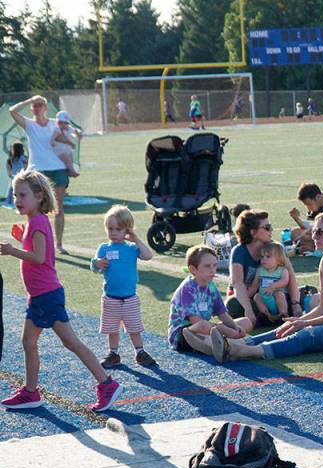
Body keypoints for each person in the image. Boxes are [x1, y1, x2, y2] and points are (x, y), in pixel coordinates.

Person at [0, 171, 122, 411]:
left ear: (38, 196)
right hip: (39, 295)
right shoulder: (35, 220)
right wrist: (20, 240)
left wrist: (12, 250)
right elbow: (37, 248)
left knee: (70, 342)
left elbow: (39, 256)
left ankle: (107, 383)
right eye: (15, 194)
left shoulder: (37, 221)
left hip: (46, 295)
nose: (17, 199)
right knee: (29, 342)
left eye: (22, 195)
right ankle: (31, 391)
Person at [211, 212, 323, 363]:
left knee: (305, 334)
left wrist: (305, 322)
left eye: (319, 231)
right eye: (314, 230)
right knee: (286, 327)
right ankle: (238, 343)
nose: (313, 235)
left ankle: (241, 351)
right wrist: (299, 320)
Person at [91, 205, 157, 368]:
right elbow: (94, 266)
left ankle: (140, 352)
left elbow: (148, 256)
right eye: (110, 228)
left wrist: (135, 238)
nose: (113, 232)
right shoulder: (104, 248)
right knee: (112, 329)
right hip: (111, 298)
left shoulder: (132, 248)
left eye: (118, 229)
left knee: (134, 328)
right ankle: (113, 353)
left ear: (127, 230)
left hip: (130, 298)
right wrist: (97, 263)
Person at [9, 96, 70, 253]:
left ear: (45, 108)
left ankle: (59, 244)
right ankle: (35, 241)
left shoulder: (53, 124)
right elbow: (12, 111)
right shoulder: (29, 124)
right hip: (37, 171)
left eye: (40, 105)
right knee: (36, 210)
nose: (37, 107)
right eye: (35, 105)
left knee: (59, 208)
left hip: (58, 168)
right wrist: (29, 100)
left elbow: (66, 137)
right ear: (32, 108)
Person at [226, 209, 301, 329]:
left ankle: (273, 317)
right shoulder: (239, 251)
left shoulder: (276, 247)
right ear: (253, 232)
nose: (271, 230)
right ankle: (274, 318)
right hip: (252, 299)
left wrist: (295, 303)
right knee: (233, 305)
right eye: (267, 227)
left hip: (277, 295)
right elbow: (237, 283)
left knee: (302, 295)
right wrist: (248, 310)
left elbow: (291, 278)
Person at [168, 245, 247, 354]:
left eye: (214, 265)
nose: (212, 270)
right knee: (205, 326)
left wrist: (235, 327)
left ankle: (221, 344)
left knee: (245, 322)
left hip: (206, 329)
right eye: (207, 266)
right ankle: (224, 344)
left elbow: (222, 314)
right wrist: (225, 330)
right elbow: (196, 321)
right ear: (193, 269)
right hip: (183, 335)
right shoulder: (186, 290)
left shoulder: (211, 287)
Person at [288, 183, 323, 254]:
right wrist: (297, 219)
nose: (308, 207)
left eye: (309, 204)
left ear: (318, 197)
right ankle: (314, 248)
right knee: (294, 233)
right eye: (306, 205)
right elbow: (309, 228)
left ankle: (314, 248)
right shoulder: (315, 206)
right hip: (321, 234)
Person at [250, 242, 291, 321]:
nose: (264, 259)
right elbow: (255, 284)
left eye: (268, 256)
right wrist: (247, 295)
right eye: (262, 257)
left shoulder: (282, 270)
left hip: (277, 299)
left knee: (279, 294)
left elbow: (285, 281)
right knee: (257, 296)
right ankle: (267, 315)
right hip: (264, 297)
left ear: (279, 259)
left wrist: (273, 285)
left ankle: (283, 315)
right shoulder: (260, 270)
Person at [52, 111, 80, 177]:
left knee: (71, 160)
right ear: (57, 123)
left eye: (66, 123)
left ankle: (70, 172)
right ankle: (73, 171)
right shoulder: (57, 130)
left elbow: (75, 131)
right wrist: (52, 142)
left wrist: (78, 133)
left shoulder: (69, 129)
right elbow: (53, 138)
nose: (63, 125)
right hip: (59, 150)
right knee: (67, 160)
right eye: (60, 123)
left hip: (68, 149)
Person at [5, 142, 27, 208]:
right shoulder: (22, 157)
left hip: (14, 175)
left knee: (12, 189)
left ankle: (9, 201)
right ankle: (18, 201)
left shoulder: (12, 158)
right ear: (21, 149)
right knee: (19, 189)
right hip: (20, 175)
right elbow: (27, 162)